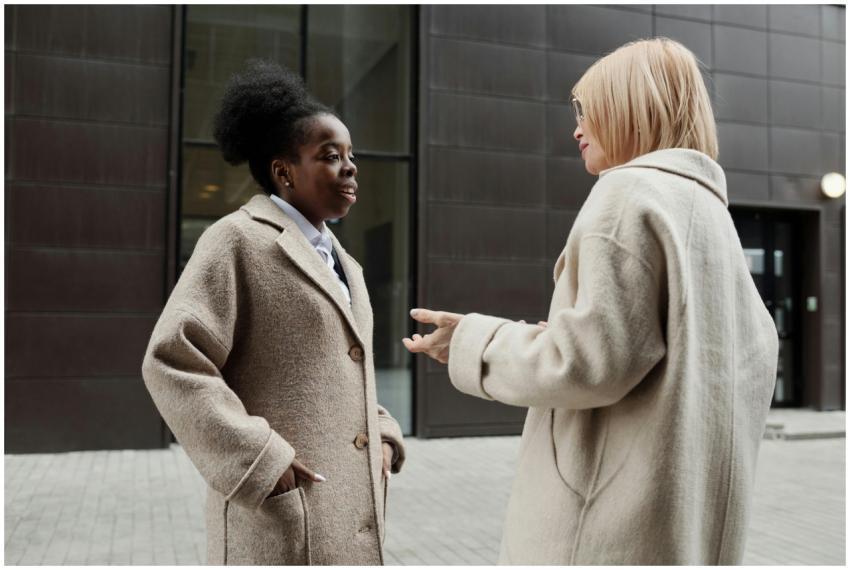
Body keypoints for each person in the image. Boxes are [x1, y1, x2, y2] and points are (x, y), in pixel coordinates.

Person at [403, 38, 778, 565]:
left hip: (603, 532)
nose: (576, 129)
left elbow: (587, 364)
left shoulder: (626, 195)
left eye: (586, 112)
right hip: (683, 531)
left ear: (630, 109)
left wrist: (474, 342)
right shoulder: (710, 215)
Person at [142, 60, 405, 565]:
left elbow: (342, 368)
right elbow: (172, 360)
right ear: (284, 171)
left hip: (349, 512)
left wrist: (385, 433)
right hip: (281, 516)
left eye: (351, 155)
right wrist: (257, 458)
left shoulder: (343, 263)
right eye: (330, 156)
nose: (350, 167)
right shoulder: (236, 240)